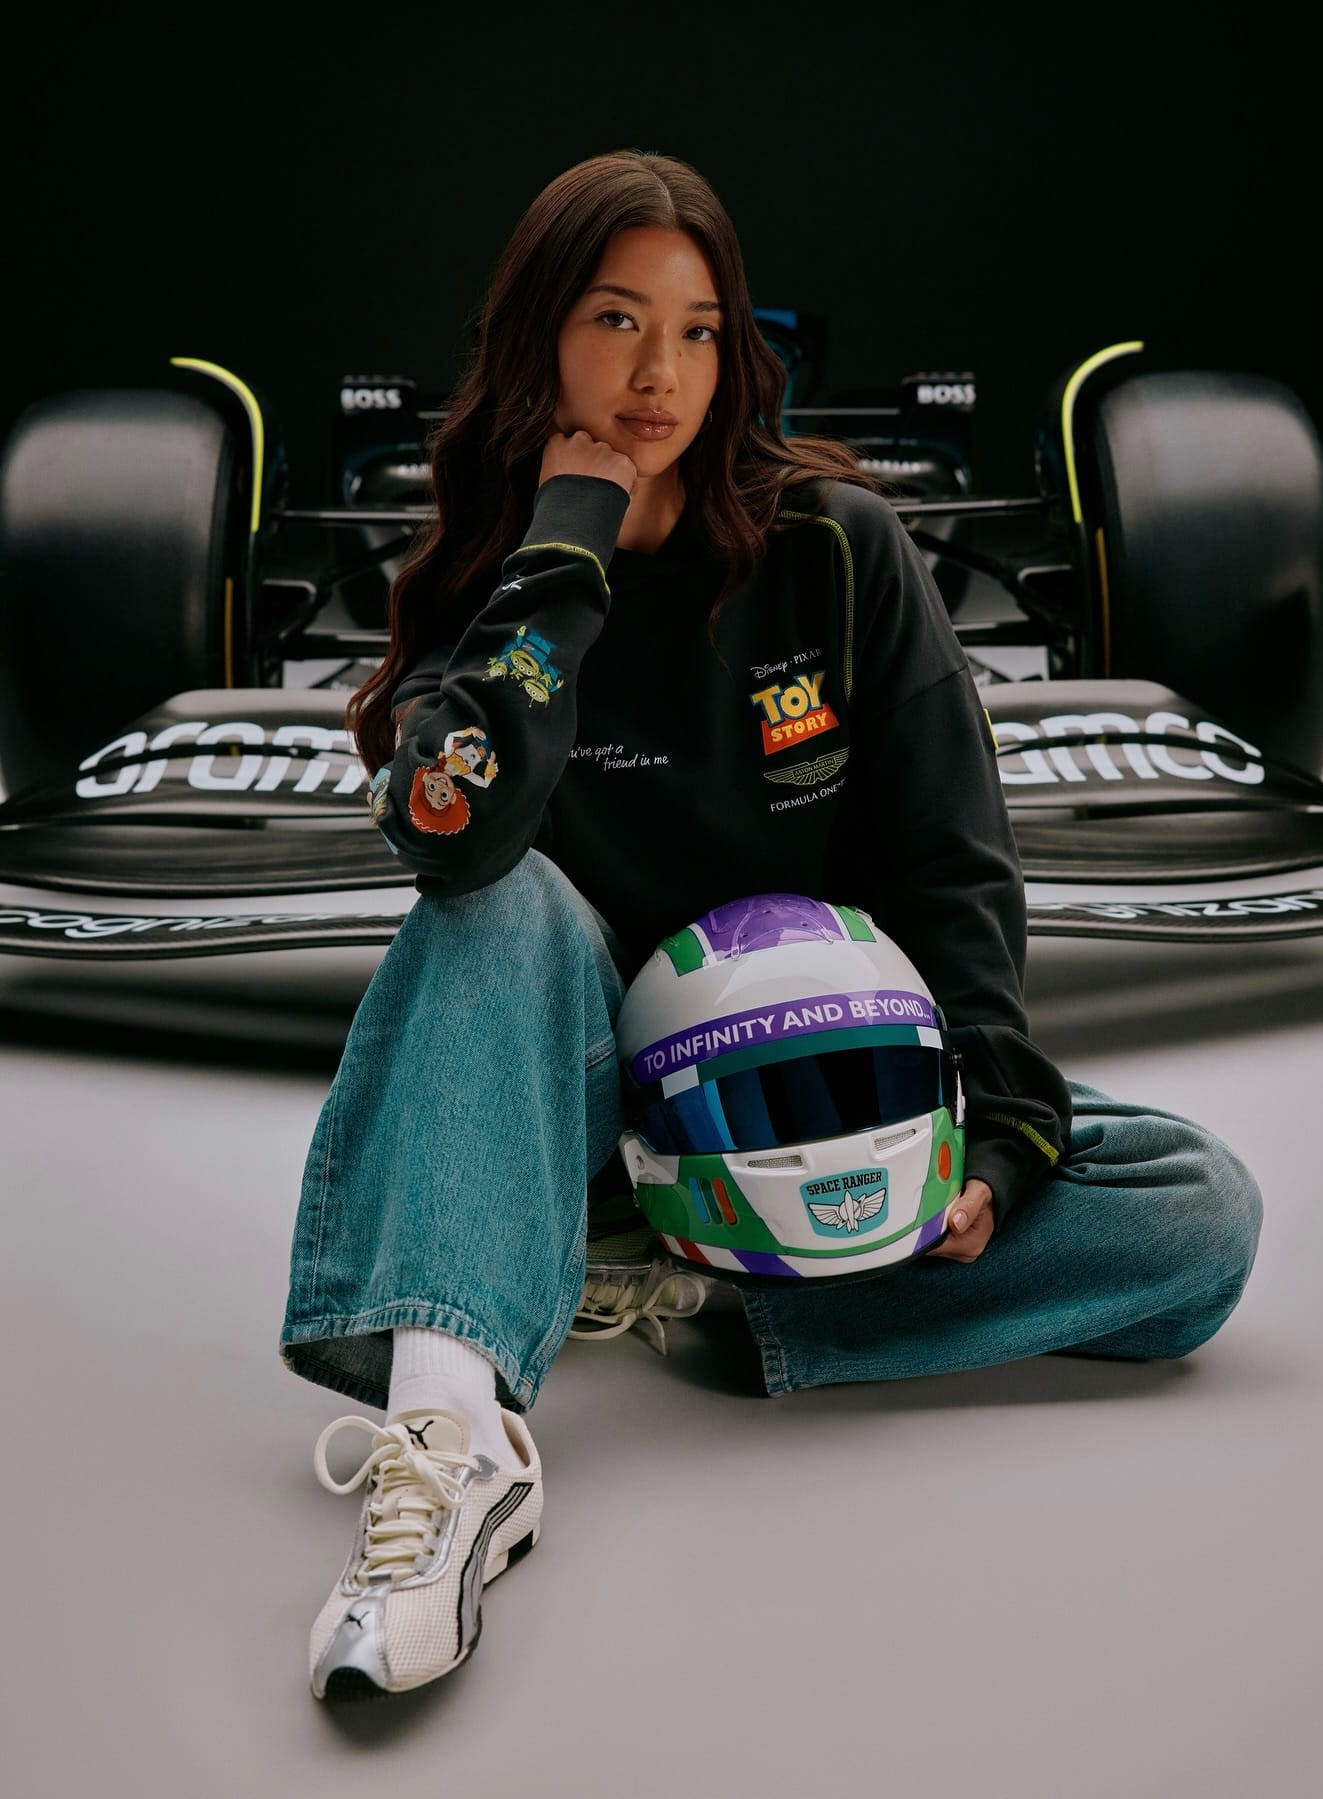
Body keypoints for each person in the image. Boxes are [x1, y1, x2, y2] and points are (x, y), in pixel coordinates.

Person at [281, 149, 1263, 1702]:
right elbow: (445, 836)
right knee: (501, 898)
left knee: (1200, 1210)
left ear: (737, 349)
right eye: (613, 320)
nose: (658, 371)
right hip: (582, 1102)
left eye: (697, 327)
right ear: (543, 334)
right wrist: (567, 547)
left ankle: (691, 1292)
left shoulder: (837, 548)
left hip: (813, 1108)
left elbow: (957, 863)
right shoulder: (491, 582)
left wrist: (1000, 1133)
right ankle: (456, 1442)